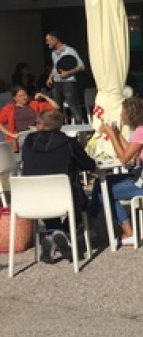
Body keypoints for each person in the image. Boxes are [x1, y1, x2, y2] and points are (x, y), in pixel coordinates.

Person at [90, 97, 143, 247]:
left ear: (130, 114)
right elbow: (131, 153)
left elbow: (124, 159)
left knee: (105, 191)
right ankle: (93, 225)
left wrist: (111, 135)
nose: (121, 115)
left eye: (123, 112)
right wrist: (117, 134)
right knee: (100, 182)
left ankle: (125, 232)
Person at [21, 109, 97, 263]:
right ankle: (64, 232)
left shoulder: (29, 141)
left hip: (31, 199)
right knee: (82, 203)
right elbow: (88, 165)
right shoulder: (69, 143)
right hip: (64, 198)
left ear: (41, 125)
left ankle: (52, 232)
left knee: (47, 190)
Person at [44, 31, 87, 124]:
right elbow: (55, 66)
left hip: (68, 82)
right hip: (57, 83)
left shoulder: (69, 51)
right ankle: (58, 130)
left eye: (48, 40)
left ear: (55, 39)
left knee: (73, 107)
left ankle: (81, 131)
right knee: (57, 107)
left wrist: (68, 73)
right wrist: (50, 77)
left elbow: (81, 66)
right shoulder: (53, 53)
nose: (47, 42)